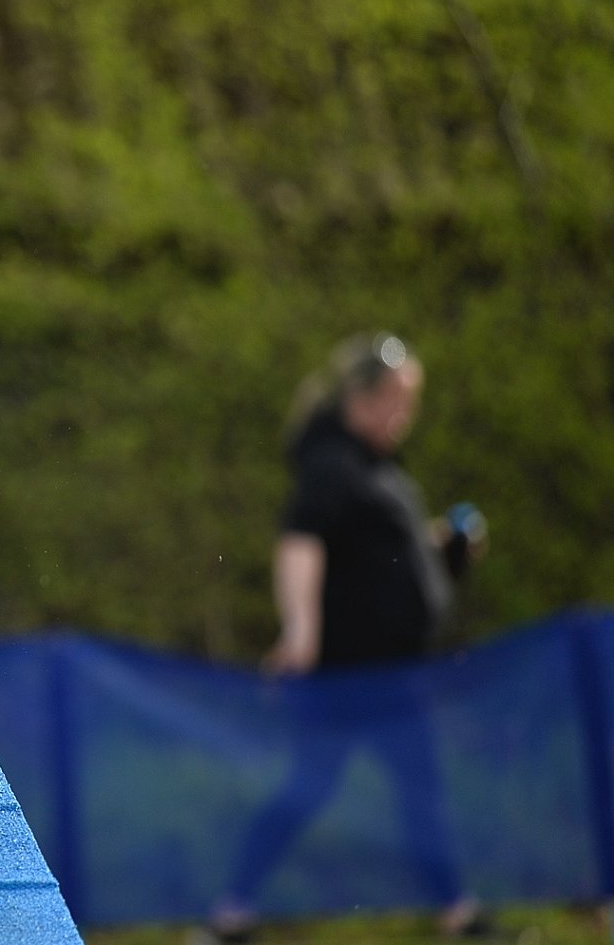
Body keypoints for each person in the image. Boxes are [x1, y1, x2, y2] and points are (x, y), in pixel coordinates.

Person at [208, 333, 489, 942]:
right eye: (397, 401)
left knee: (414, 790)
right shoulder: (332, 464)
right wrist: (300, 631)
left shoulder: (376, 468)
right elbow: (300, 543)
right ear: (362, 400)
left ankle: (456, 911)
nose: (405, 416)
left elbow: (384, 557)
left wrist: (444, 549)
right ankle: (230, 913)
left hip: (393, 672)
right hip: (349, 676)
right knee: (312, 789)